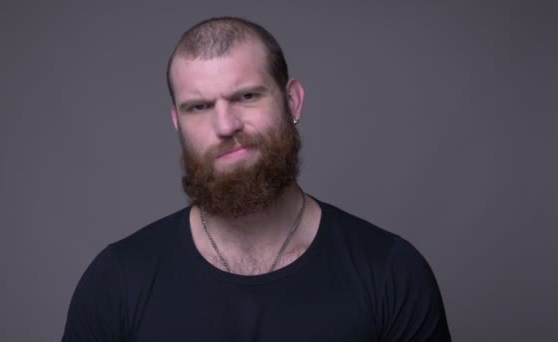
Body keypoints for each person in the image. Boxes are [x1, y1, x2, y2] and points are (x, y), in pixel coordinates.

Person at [62, 16, 451, 341]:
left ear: (292, 100)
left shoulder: (391, 272)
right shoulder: (116, 282)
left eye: (247, 96)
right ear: (177, 123)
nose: (225, 125)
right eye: (199, 107)